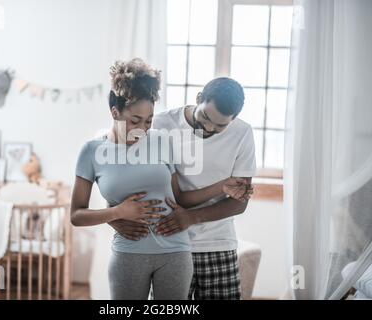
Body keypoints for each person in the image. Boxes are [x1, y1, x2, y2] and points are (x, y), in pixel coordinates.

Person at [70, 59, 251, 300]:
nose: (143, 128)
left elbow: (179, 199)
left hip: (183, 249)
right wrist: (116, 214)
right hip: (130, 251)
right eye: (136, 121)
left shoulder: (161, 140)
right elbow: (80, 212)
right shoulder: (95, 149)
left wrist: (222, 186)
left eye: (148, 120)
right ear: (115, 113)